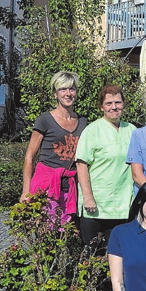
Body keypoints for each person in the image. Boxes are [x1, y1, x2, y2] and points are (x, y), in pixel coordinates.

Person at [20, 71, 88, 224]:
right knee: (47, 232)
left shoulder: (83, 122)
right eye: (63, 89)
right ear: (55, 93)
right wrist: (26, 191)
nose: (68, 93)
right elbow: (30, 156)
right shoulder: (45, 120)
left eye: (72, 89)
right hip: (47, 185)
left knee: (69, 233)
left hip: (71, 186)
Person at [75, 85, 137, 246]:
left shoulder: (132, 130)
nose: (114, 107)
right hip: (96, 207)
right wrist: (88, 198)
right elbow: (81, 166)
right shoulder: (92, 130)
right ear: (101, 107)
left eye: (118, 102)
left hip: (123, 206)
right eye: (109, 103)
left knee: (118, 256)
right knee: (92, 258)